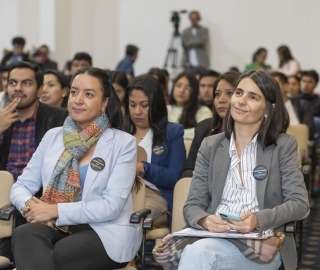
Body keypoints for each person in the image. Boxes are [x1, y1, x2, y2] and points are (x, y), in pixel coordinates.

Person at [10, 67, 141, 270]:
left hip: (104, 230)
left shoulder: (123, 143)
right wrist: (32, 207)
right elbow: (21, 186)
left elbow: (111, 206)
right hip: (57, 226)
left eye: (88, 94)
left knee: (52, 254)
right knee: (23, 233)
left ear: (104, 103)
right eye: (74, 92)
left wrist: (53, 210)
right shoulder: (53, 136)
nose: (78, 100)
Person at [177, 70, 309, 270]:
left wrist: (258, 219)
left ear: (268, 109)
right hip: (216, 237)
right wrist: (205, 220)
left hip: (262, 244)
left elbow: (300, 203)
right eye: (238, 93)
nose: (240, 101)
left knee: (198, 254)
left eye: (253, 97)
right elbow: (192, 205)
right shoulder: (210, 146)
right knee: (199, 253)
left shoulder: (283, 146)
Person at [0, 61, 68, 262]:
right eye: (12, 82)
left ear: (39, 89)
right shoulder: (1, 118)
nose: (18, 88)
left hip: (38, 196)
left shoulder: (59, 119)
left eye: (26, 83)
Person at [123, 75, 186, 225]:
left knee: (130, 220)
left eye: (144, 105)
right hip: (122, 194)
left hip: (155, 195)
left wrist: (143, 168)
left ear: (157, 105)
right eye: (132, 105)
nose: (137, 111)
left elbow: (175, 178)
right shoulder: (120, 132)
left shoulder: (172, 132)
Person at [182, 71, 240, 178]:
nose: (221, 100)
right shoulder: (203, 128)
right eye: (217, 94)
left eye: (230, 93)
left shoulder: (249, 132)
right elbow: (189, 169)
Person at [167, 72, 213, 140]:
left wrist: (173, 133)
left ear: (194, 91)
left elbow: (202, 132)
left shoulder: (203, 111)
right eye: (178, 85)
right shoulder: (165, 109)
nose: (181, 90)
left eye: (187, 88)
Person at [271, 71, 314, 139]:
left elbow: (309, 131)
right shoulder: (267, 107)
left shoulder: (303, 105)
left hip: (300, 142)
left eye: (275, 84)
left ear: (286, 86)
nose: (271, 88)